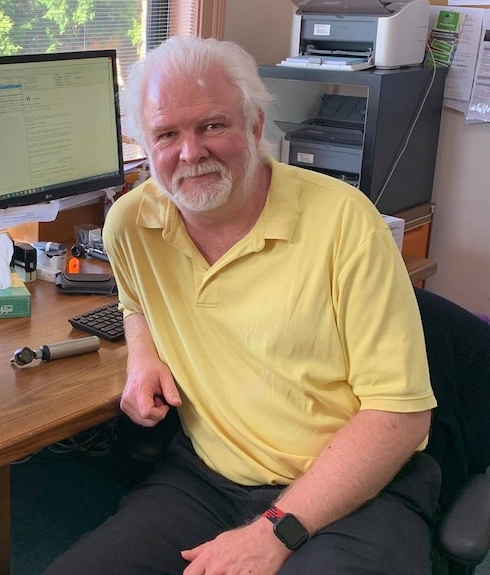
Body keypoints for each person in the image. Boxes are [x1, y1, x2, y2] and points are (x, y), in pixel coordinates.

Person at [45, 37, 439, 575]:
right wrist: (142, 356)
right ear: (142, 144)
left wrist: (276, 531)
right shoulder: (132, 225)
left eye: (212, 126)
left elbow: (401, 416)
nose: (191, 152)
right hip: (208, 478)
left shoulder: (347, 224)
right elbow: (133, 300)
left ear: (255, 126)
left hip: (356, 489)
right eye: (166, 134)